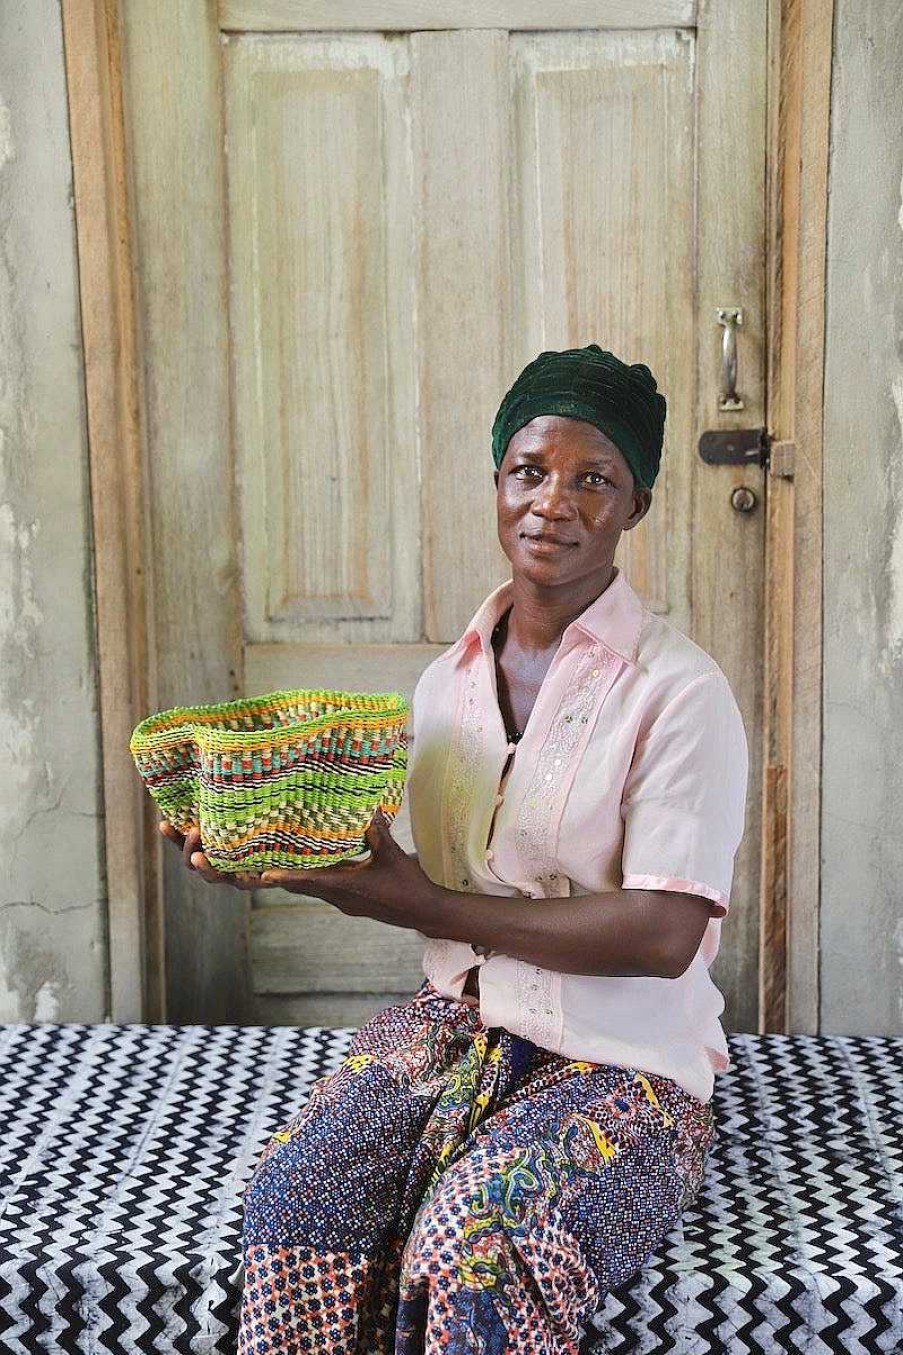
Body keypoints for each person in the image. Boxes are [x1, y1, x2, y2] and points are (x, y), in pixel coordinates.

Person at [161, 343, 748, 1354]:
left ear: (636, 506)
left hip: (624, 1059)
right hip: (458, 1028)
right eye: (530, 470)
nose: (553, 503)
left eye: (593, 479)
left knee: (476, 1239)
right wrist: (265, 850)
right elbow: (398, 867)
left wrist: (410, 902)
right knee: (299, 1198)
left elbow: (662, 932)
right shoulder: (447, 684)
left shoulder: (679, 692)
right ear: (497, 483)